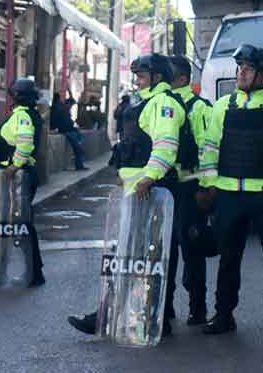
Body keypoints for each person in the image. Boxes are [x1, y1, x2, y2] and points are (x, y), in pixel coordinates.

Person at [68, 53, 185, 335]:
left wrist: (148, 179)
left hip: (151, 192)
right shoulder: (147, 102)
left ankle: (115, 314)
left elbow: (166, 146)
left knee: (135, 257)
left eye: (142, 75)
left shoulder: (163, 104)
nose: (136, 80)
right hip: (139, 191)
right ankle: (139, 313)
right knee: (135, 256)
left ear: (158, 76)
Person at [197, 44, 263, 337]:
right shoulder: (222, 106)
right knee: (228, 258)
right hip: (229, 196)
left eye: (248, 68)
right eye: (240, 67)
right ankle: (223, 315)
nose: (240, 72)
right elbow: (210, 149)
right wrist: (209, 185)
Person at [164, 55, 213, 328]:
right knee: (164, 250)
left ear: (182, 78)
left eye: (167, 74)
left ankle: (198, 309)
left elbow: (207, 148)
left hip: (189, 188)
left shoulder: (198, 107)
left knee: (192, 248)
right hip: (163, 188)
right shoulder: (161, 104)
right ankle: (165, 307)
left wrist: (206, 187)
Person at [0, 77, 47, 287]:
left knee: (22, 223)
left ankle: (33, 273)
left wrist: (14, 165)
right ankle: (25, 271)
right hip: (19, 174)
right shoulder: (26, 114)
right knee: (18, 222)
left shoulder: (22, 116)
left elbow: (25, 143)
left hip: (19, 175)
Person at [51, 91, 88, 170]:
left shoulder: (58, 107)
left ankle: (79, 164)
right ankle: (79, 165)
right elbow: (63, 122)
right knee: (78, 148)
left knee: (78, 145)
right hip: (67, 130)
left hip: (68, 130)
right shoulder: (60, 108)